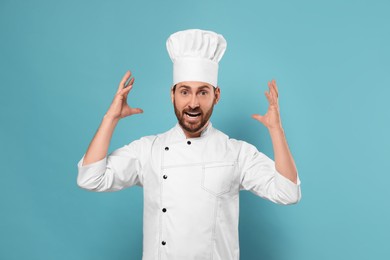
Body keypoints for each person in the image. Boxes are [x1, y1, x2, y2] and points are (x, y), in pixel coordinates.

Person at [77, 29, 301, 260]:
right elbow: (90, 178)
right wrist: (110, 118)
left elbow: (288, 192)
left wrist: (277, 131)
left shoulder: (236, 153)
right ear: (172, 95)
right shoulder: (149, 150)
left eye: (202, 92)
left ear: (216, 96)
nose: (193, 103)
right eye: (185, 92)